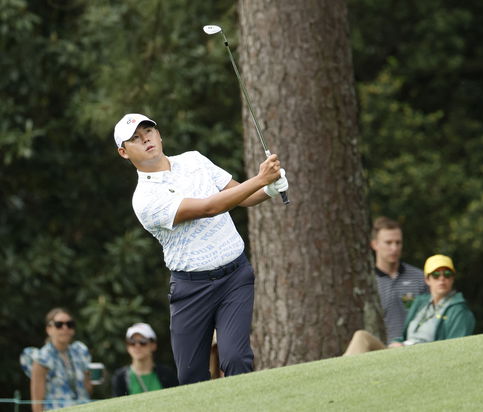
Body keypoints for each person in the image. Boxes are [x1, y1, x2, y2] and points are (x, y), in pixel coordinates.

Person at [113, 113, 288, 384]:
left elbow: (241, 195)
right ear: (124, 152)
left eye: (148, 131)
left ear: (159, 134)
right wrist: (261, 179)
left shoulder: (194, 160)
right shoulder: (145, 199)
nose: (145, 138)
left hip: (235, 278)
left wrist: (270, 189)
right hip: (191, 290)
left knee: (236, 359)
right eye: (135, 138)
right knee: (191, 377)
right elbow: (209, 207)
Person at [344, 254, 475, 355]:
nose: (442, 279)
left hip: (418, 358)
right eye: (436, 275)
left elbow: (456, 350)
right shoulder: (421, 303)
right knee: (361, 336)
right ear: (427, 279)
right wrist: (397, 343)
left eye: (447, 274)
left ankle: (338, 379)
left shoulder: (459, 311)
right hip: (401, 351)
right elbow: (407, 336)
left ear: (453, 278)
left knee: (362, 337)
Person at [20, 308, 92, 411]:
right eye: (59, 324)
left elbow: (87, 391)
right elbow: (37, 403)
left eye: (69, 324)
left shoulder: (80, 352)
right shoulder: (42, 358)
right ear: (49, 329)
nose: (65, 328)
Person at [370, 217, 428, 344]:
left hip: (416, 348)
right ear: (374, 244)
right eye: (388, 242)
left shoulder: (419, 278)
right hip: (379, 353)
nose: (394, 248)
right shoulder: (367, 282)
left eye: (398, 243)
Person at [111, 323, 178, 396]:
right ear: (128, 347)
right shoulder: (120, 378)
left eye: (143, 342)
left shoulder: (167, 374)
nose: (137, 346)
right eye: (132, 342)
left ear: (153, 345)